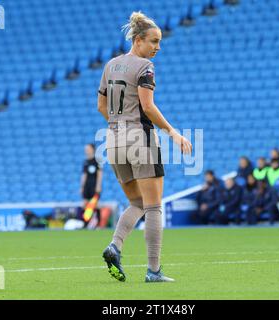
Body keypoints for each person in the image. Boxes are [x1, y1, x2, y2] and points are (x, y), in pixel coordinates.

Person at [98, 12, 192, 283]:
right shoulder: (145, 68)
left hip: (113, 141)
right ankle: (153, 271)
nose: (158, 47)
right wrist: (173, 133)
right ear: (138, 40)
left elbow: (101, 106)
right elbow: (148, 106)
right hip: (140, 138)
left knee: (136, 202)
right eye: (154, 41)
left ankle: (115, 246)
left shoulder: (110, 65)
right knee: (153, 207)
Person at [80, 143, 103, 227]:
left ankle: (99, 224)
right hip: (87, 186)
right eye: (86, 149)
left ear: (92, 149)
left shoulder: (97, 160)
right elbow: (84, 175)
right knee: (85, 204)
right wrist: (82, 186)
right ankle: (85, 223)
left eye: (88, 149)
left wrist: (98, 185)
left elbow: (100, 174)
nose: (86, 151)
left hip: (94, 185)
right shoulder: (85, 162)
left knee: (95, 204)